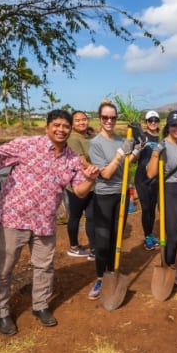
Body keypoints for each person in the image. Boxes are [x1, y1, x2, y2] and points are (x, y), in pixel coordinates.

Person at [0, 109, 100, 335]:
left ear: (70, 130)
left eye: (66, 126)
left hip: (45, 222)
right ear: (47, 127)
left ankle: (40, 306)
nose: (61, 129)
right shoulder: (26, 145)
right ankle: (1, 313)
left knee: (44, 266)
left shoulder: (72, 158)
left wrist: (90, 179)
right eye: (57, 125)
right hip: (13, 217)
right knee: (4, 268)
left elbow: (79, 191)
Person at [87, 100, 136, 300]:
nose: (109, 121)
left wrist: (135, 152)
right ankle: (100, 277)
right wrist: (120, 154)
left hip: (122, 194)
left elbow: (125, 165)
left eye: (113, 117)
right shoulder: (95, 143)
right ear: (100, 119)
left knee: (117, 238)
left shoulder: (122, 140)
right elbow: (106, 174)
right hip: (104, 196)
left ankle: (112, 274)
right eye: (105, 117)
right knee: (103, 241)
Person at [146, 110, 177, 285]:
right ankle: (170, 267)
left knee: (175, 231)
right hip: (168, 191)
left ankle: (168, 259)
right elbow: (150, 174)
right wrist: (156, 154)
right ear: (168, 127)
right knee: (172, 233)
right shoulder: (162, 146)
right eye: (174, 125)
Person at [65, 110, 96, 260]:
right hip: (77, 184)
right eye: (77, 120)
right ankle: (74, 247)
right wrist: (100, 172)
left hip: (91, 183)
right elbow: (83, 161)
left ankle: (94, 247)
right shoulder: (72, 139)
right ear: (72, 124)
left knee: (91, 216)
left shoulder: (88, 137)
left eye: (84, 119)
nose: (81, 122)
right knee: (76, 216)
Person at [134, 110, 161, 250]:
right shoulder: (142, 137)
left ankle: (150, 233)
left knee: (152, 207)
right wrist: (137, 145)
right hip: (142, 177)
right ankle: (147, 236)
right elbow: (134, 158)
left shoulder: (162, 138)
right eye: (150, 120)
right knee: (145, 208)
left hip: (157, 178)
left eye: (155, 120)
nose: (153, 123)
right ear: (146, 122)